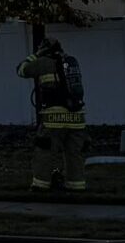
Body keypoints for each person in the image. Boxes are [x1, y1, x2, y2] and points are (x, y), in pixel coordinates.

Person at [17, 34, 87, 191]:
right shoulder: (71, 62)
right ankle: (76, 186)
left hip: (54, 119)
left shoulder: (43, 63)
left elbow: (21, 70)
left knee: (45, 151)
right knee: (74, 154)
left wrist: (35, 55)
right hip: (77, 118)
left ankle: (40, 186)